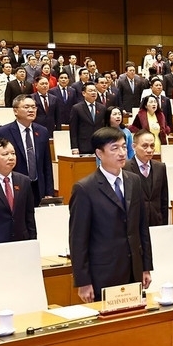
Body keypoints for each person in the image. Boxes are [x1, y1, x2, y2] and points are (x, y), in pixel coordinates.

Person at [69, 127, 153, 302]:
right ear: (99, 153)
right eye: (114, 148)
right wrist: (83, 281)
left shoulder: (134, 181)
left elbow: (142, 228)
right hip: (103, 273)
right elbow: (78, 240)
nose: (122, 153)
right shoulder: (85, 188)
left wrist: (145, 266)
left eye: (124, 147)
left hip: (133, 269)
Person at [0, 94, 55, 207]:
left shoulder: (42, 131)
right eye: (26, 107)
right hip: (14, 186)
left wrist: (49, 192)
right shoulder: (2, 132)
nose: (31, 110)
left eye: (34, 107)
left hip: (38, 187)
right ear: (15, 111)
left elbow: (47, 164)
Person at [123, 129, 169, 227]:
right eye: (145, 146)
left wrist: (164, 225)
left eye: (152, 146)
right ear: (134, 147)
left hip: (156, 222)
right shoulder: (124, 168)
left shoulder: (160, 167)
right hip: (135, 223)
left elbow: (164, 199)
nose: (149, 150)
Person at [70, 82, 107, 155]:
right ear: (83, 93)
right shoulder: (77, 108)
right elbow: (73, 129)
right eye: (90, 91)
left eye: (95, 90)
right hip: (83, 145)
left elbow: (105, 127)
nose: (93, 93)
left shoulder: (102, 108)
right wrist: (74, 147)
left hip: (99, 145)